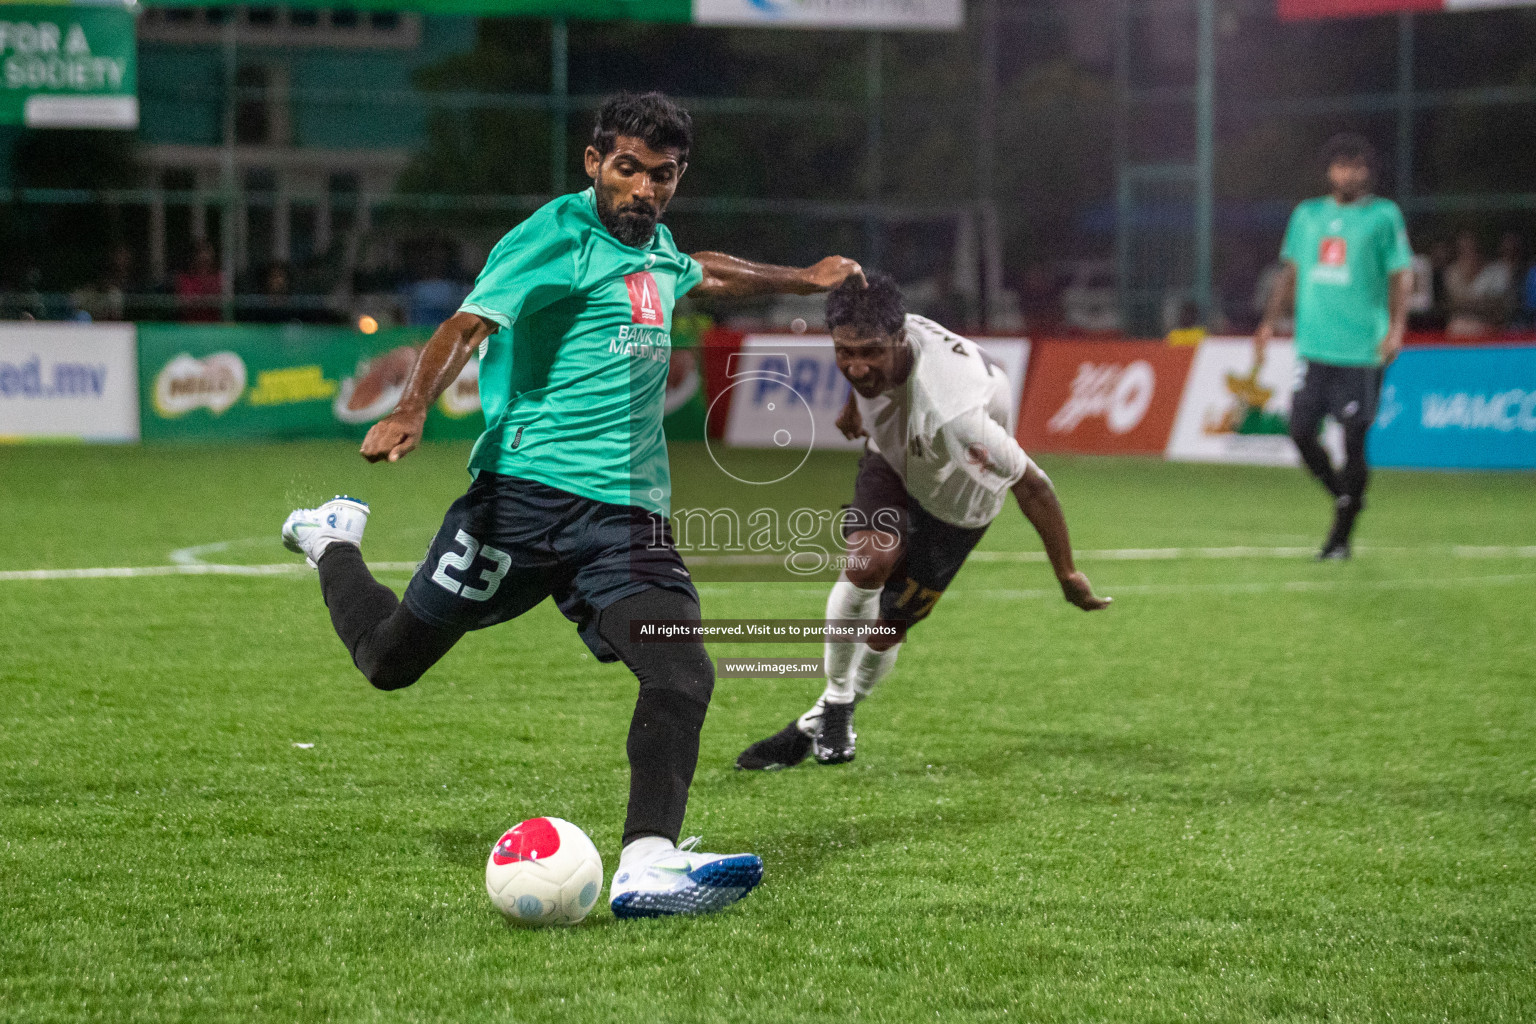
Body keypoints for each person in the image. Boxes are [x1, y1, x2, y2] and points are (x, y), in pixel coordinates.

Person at [279, 92, 864, 919]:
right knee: (387, 661)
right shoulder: (553, 237)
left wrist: (802, 278)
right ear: (594, 163)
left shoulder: (654, 248)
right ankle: (331, 540)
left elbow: (703, 270)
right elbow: (465, 326)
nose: (643, 191)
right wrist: (412, 406)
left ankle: (646, 863)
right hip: (518, 505)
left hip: (623, 519)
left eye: (662, 176)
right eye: (627, 170)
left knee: (680, 670)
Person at [736, 274, 1110, 772]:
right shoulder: (881, 329)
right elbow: (862, 366)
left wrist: (1066, 572)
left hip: (960, 501)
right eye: (844, 352)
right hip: (892, 460)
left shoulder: (955, 412)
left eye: (869, 352)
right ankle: (838, 702)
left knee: (888, 629)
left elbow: (1033, 485)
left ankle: (812, 724)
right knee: (868, 564)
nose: (856, 365)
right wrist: (854, 407)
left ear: (899, 340)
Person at [1254, 133, 1413, 560]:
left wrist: (1396, 327)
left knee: (1353, 438)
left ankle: (1340, 537)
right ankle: (1345, 495)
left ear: (1368, 171)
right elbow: (1290, 272)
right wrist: (1270, 321)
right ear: (1329, 171)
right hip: (1314, 346)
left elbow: (1401, 274)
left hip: (1361, 350)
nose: (1349, 172)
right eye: (1341, 165)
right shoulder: (1306, 216)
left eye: (1357, 165)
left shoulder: (1383, 216)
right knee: (1301, 431)